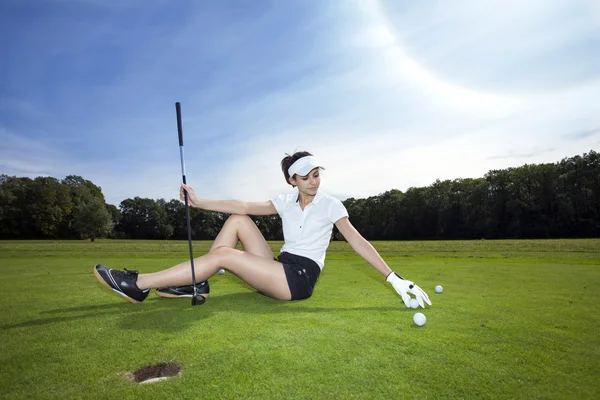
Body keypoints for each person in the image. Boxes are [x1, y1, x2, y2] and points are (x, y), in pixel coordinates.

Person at [94, 151, 431, 308]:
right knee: (238, 220)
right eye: (307, 175)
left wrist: (394, 278)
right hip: (279, 266)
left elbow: (357, 241)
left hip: (298, 279)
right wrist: (199, 202)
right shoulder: (285, 200)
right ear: (292, 180)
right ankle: (194, 282)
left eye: (317, 173)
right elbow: (241, 206)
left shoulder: (331, 205)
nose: (314, 180)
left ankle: (140, 285)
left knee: (225, 254)